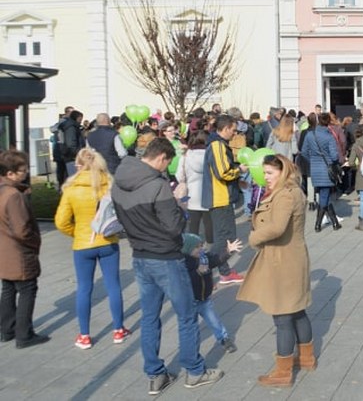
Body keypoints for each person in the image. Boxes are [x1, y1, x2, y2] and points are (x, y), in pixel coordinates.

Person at [112, 138, 222, 394]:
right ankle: (194, 371)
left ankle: (155, 374)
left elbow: (121, 219)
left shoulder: (118, 182)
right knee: (186, 315)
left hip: (140, 256)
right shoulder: (157, 185)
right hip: (166, 258)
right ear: (161, 157)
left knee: (150, 317)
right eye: (167, 163)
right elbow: (174, 227)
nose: (166, 168)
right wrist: (180, 204)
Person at [237, 154, 314, 387]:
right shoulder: (293, 191)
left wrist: (253, 238)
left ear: (283, 172)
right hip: (291, 257)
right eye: (265, 172)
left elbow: (278, 227)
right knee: (297, 310)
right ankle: (307, 358)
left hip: (283, 260)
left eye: (270, 173)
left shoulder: (285, 195)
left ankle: (283, 372)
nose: (265, 177)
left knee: (282, 316)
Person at [54, 149, 130, 350]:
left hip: (82, 245)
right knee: (113, 285)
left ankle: (85, 335)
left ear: (78, 165)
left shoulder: (71, 188)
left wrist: (77, 233)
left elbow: (61, 222)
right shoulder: (110, 184)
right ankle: (118, 330)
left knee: (84, 288)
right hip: (108, 240)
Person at [0, 149, 49, 349]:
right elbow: (22, 230)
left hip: (5, 249)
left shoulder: (4, 190)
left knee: (8, 289)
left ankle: (7, 329)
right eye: (22, 170)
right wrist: (34, 241)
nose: (26, 173)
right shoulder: (13, 196)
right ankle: (24, 334)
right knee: (27, 289)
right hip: (19, 252)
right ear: (10, 173)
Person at [202, 114, 246, 285]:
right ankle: (205, 269)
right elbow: (223, 172)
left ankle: (224, 270)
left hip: (220, 196)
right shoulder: (217, 146)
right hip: (220, 198)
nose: (234, 134)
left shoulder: (217, 144)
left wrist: (236, 181)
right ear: (226, 128)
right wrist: (239, 171)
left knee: (223, 237)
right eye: (233, 130)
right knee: (225, 238)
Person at [181, 233, 241, 354]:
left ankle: (224, 339)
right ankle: (190, 349)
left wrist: (228, 251)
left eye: (201, 246)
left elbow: (216, 260)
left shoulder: (204, 257)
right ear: (187, 249)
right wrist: (197, 272)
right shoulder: (183, 263)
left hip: (204, 299)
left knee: (214, 321)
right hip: (189, 301)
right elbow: (184, 280)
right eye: (197, 247)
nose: (201, 249)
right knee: (190, 327)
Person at [302, 112, 342, 232]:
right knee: (324, 196)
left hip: (315, 169)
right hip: (326, 169)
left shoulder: (310, 135)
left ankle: (335, 222)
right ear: (329, 122)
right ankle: (318, 224)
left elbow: (303, 151)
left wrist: (313, 160)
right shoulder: (329, 136)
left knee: (324, 195)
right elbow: (334, 156)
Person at [178, 130, 213, 243]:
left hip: (191, 196)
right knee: (210, 226)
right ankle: (212, 250)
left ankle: (193, 250)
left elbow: (179, 176)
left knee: (193, 227)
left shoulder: (186, 156)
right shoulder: (211, 156)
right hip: (209, 195)